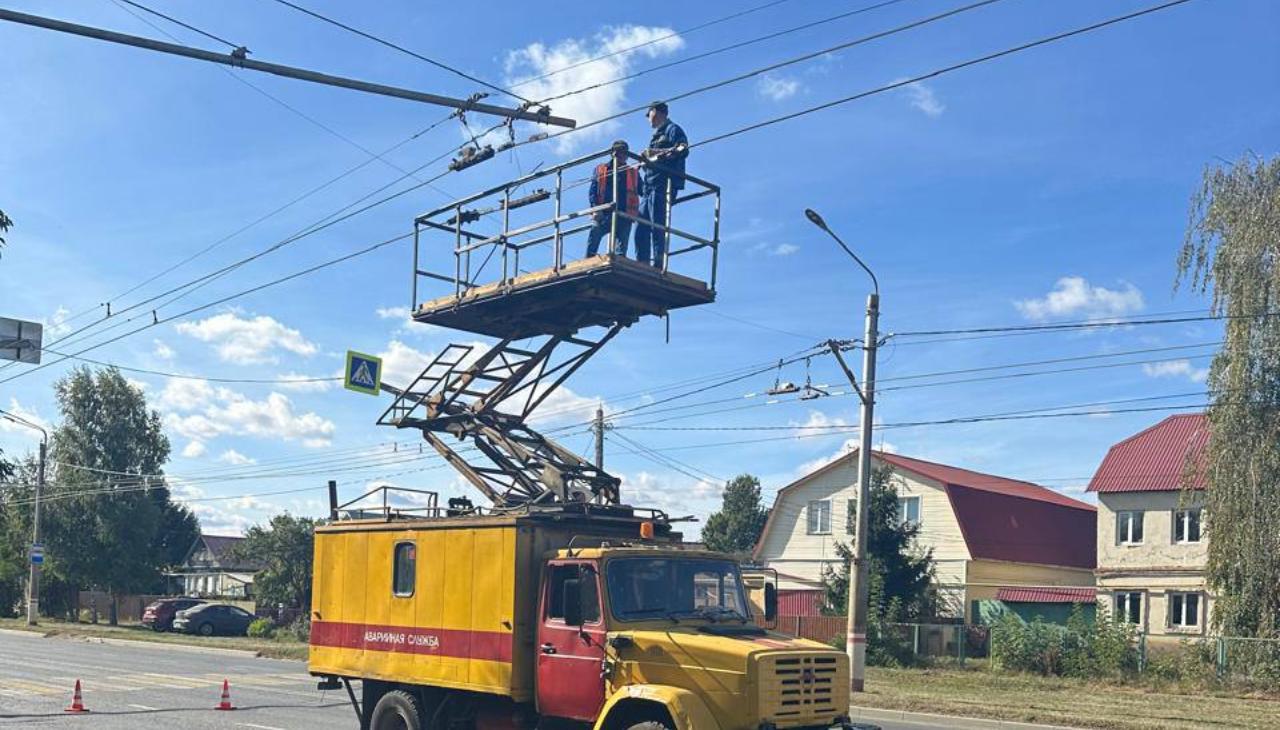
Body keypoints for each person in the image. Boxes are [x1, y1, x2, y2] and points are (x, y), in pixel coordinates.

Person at [634, 101, 689, 269]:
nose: (648, 118)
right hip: (650, 187)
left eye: (648, 114)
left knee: (657, 226)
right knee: (641, 228)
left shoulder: (673, 129)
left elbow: (683, 149)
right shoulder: (657, 135)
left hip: (663, 186)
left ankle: (658, 264)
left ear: (656, 112)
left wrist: (655, 153)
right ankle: (642, 262)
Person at [585, 140, 639, 257]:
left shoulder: (632, 173)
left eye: (625, 153)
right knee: (595, 232)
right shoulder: (601, 169)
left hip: (624, 215)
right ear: (613, 153)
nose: (622, 156)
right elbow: (593, 191)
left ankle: (619, 259)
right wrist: (595, 208)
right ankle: (589, 257)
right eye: (620, 152)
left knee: (620, 251)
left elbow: (643, 190)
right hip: (604, 213)